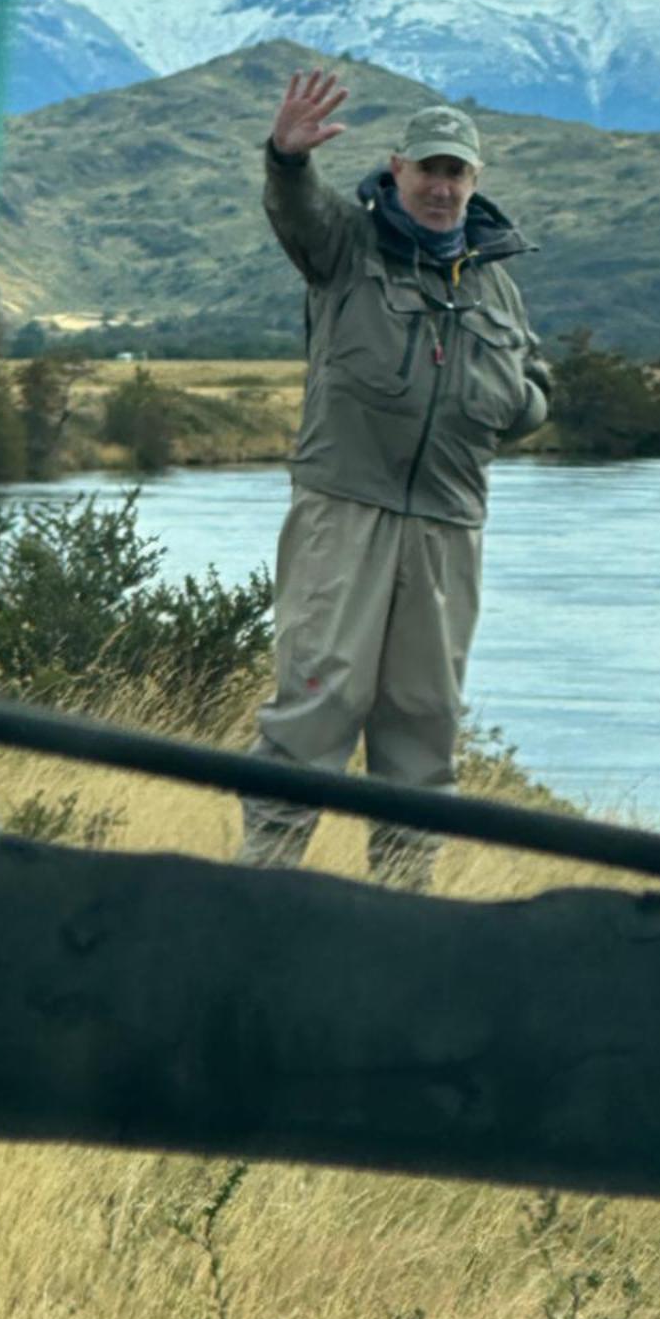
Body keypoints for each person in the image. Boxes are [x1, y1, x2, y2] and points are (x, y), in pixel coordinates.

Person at [239, 68, 551, 888]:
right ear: (396, 169)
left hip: (449, 524)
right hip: (345, 508)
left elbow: (532, 385)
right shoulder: (347, 243)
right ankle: (264, 888)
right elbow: (294, 212)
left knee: (425, 719)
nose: (442, 187)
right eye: (429, 169)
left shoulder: (497, 282)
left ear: (474, 180)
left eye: (457, 172)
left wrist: (521, 405)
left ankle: (402, 905)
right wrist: (286, 156)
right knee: (319, 698)